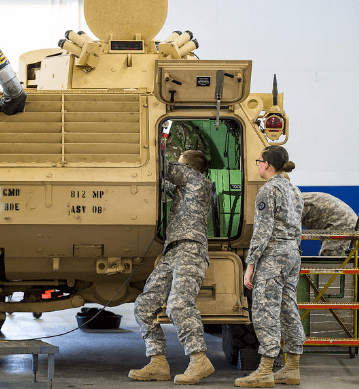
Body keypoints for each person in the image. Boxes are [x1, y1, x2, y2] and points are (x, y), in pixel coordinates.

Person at [129, 150, 215, 385]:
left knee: (178, 305)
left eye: (181, 166)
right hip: (173, 251)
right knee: (143, 305)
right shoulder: (185, 189)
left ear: (189, 168)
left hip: (190, 249)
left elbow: (161, 168)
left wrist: (152, 146)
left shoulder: (198, 181)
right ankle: (157, 363)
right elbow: (162, 184)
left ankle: (199, 360)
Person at [235, 146, 306, 388]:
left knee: (265, 311)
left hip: (273, 257)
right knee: (288, 308)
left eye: (259, 161)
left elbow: (262, 231)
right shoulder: (294, 190)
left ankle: (265, 370)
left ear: (266, 164)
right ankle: (292, 368)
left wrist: (250, 264)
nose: (258, 165)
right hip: (292, 255)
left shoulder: (268, 190)